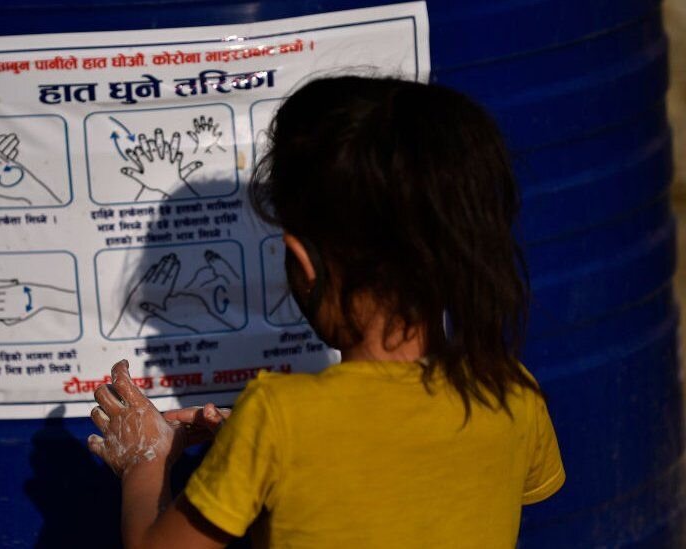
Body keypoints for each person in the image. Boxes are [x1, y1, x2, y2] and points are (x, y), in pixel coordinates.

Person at [86, 76, 565, 548]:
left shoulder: (276, 417)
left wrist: (145, 460)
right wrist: (258, 455)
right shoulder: (513, 393)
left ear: (304, 264)